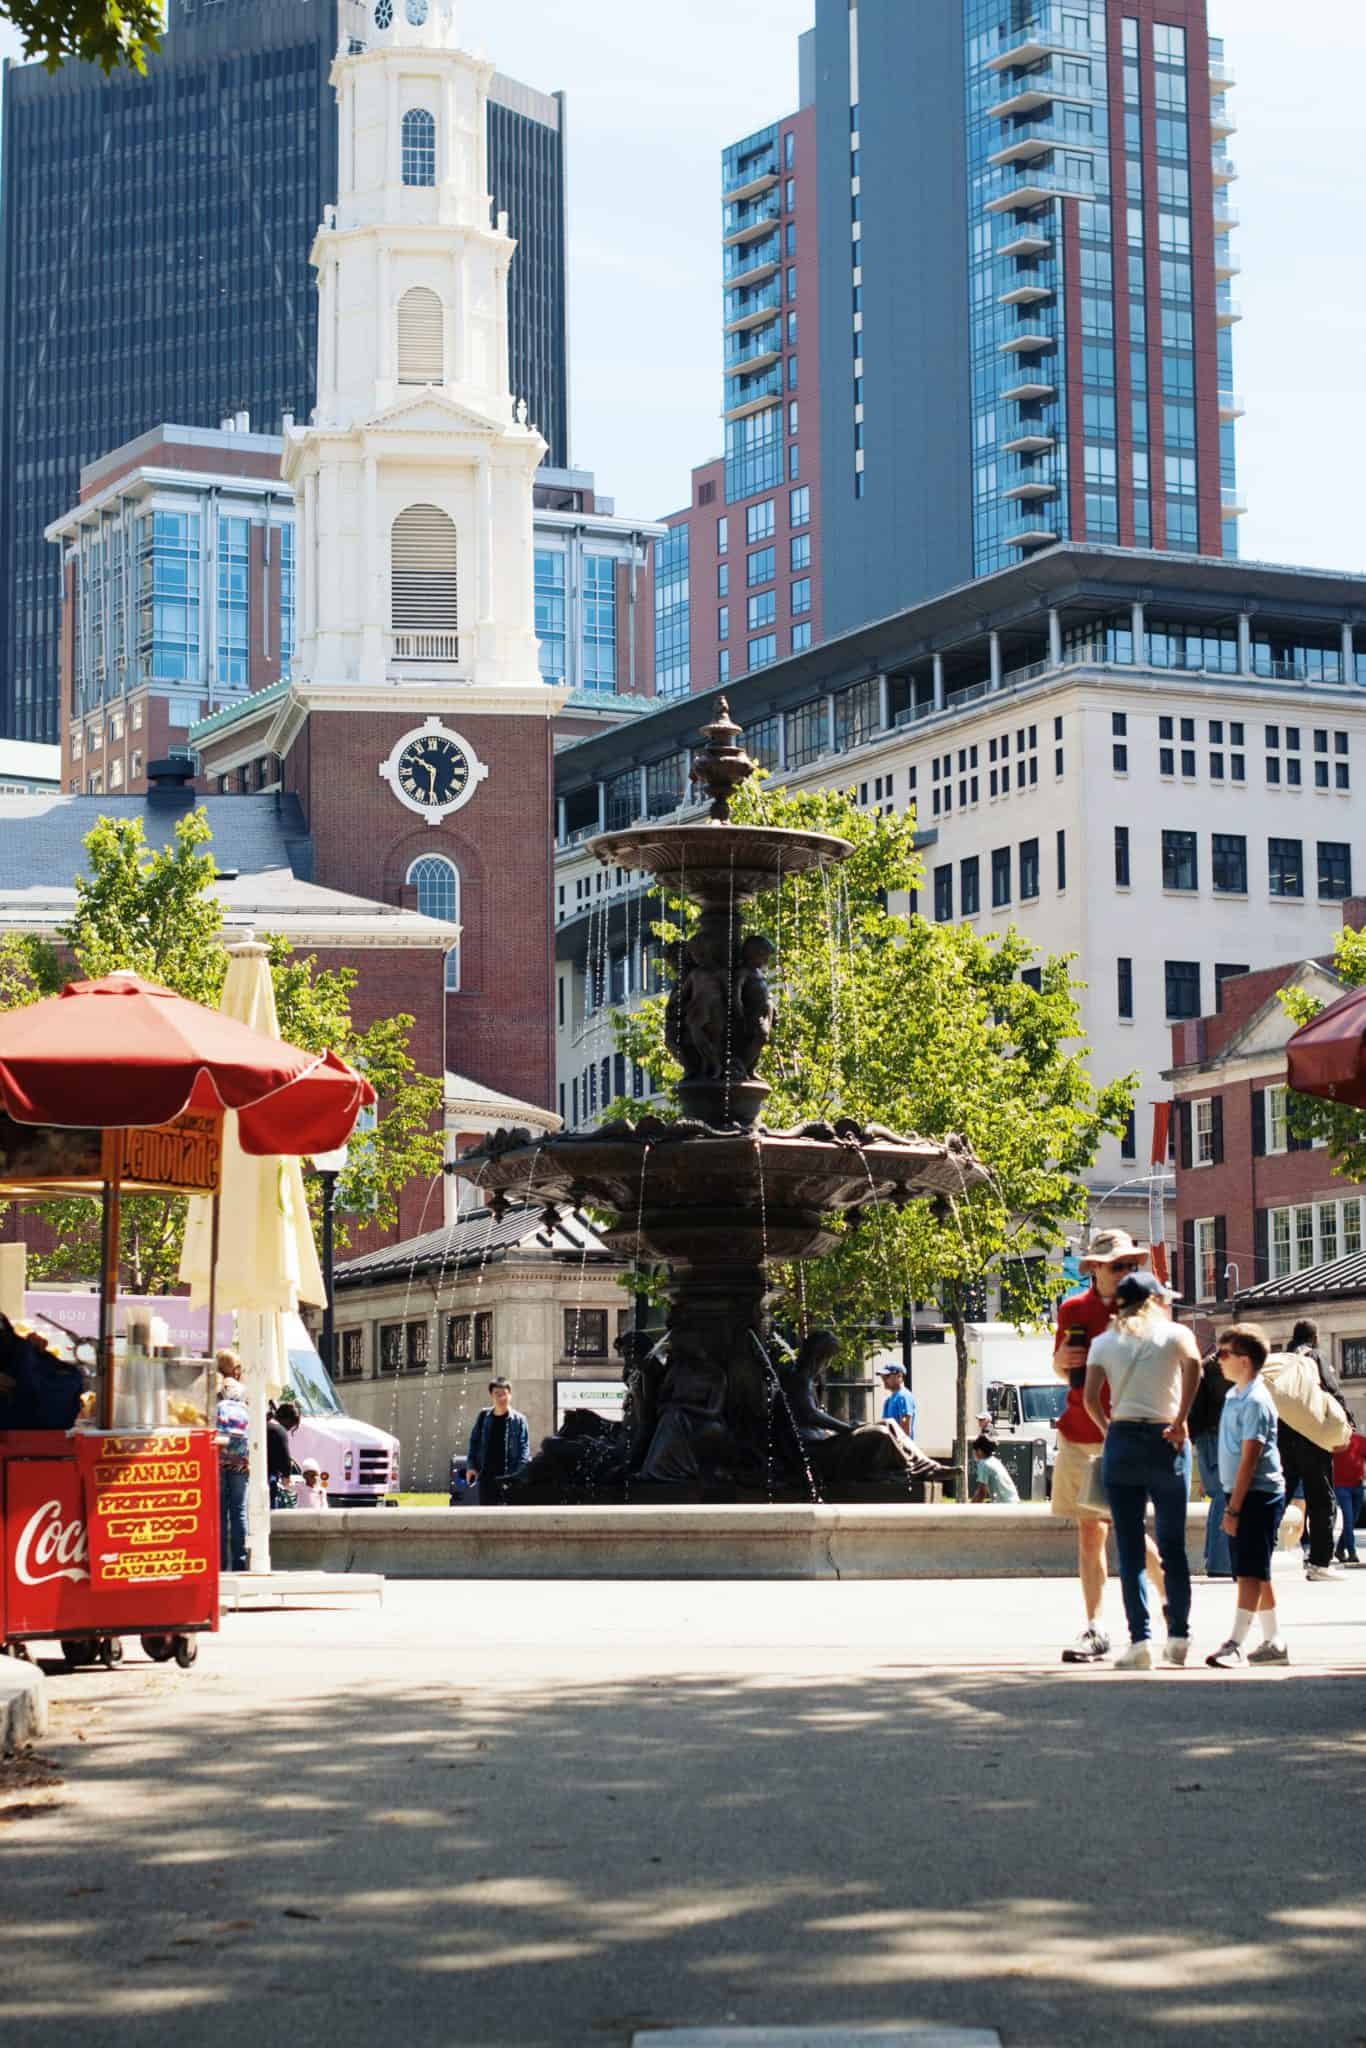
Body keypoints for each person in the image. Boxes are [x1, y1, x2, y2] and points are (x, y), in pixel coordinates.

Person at [1050, 1229, 1168, 1664]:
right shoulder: (1073, 1309)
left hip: (1128, 1431)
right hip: (1080, 1432)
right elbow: (1063, 1369)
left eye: (1130, 1265)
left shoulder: (1146, 1306)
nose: (1125, 1273)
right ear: (1094, 1269)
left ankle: (1167, 1593)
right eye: (1116, 1266)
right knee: (1089, 1531)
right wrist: (1061, 1363)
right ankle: (1096, 1627)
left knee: (1127, 1525)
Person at [1084, 1273, 1200, 1669]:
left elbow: (1089, 1398)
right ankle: (1180, 1636)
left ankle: (1141, 1642)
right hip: (1166, 1438)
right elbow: (1196, 1366)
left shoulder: (1103, 1342)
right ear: (1153, 1300)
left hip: (1123, 1441)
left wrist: (1109, 1429)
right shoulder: (1174, 1335)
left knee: (1131, 1549)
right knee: (1173, 1547)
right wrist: (1182, 1418)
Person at [1205, 1324, 1289, 1668]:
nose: (1218, 1360)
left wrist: (1233, 1509)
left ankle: (1236, 1642)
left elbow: (1249, 1459)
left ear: (1244, 1360)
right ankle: (1274, 1641)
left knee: (1248, 1572)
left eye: (1224, 1354)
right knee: (1257, 1569)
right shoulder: (1235, 1395)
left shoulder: (1255, 1400)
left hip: (1256, 1494)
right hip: (1244, 1492)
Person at [1273, 1321, 1343, 1580]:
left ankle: (1256, 1556)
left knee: (1279, 1496)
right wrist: (1346, 1425)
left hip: (1283, 1437)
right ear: (1314, 1337)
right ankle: (1319, 1563)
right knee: (1322, 1499)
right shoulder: (1314, 1357)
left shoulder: (1282, 1359)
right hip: (1312, 1438)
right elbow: (1332, 1390)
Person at [1187, 1349, 1234, 1579]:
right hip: (1216, 1436)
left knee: (1218, 1495)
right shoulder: (1219, 1370)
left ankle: (1213, 1557)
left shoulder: (1205, 1367)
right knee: (1224, 1495)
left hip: (1205, 1437)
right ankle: (1220, 1562)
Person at [465, 1379, 531, 1505]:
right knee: (487, 1518)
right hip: (486, 1477)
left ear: (510, 1395)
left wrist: (518, 1475)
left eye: (504, 1393)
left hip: (509, 1477)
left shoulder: (519, 1420)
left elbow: (524, 1449)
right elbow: (474, 1443)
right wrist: (471, 1467)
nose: (501, 1397)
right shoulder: (483, 1416)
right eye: (497, 1394)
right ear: (491, 1395)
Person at [215, 1354, 250, 1574]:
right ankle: (240, 1562)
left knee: (219, 1512)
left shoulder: (214, 1389)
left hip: (217, 1456)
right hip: (240, 1458)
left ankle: (219, 1562)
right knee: (238, 1510)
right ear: (235, 1368)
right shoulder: (244, 1391)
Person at [1332, 1424, 1366, 1567]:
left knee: (1353, 1520)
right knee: (1348, 1519)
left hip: (1358, 1486)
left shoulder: (1361, 1440)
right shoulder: (1333, 1442)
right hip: (1341, 1487)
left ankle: (1340, 1550)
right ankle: (1352, 1553)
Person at [268, 1398, 300, 1508]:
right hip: (270, 1476)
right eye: (291, 1425)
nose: (289, 1428)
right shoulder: (279, 1430)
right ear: (287, 1419)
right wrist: (286, 1475)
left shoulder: (264, 1424)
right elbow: (285, 1457)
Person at [970, 1433, 1020, 1504]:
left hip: (1005, 1506)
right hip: (1014, 1501)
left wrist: (969, 1508)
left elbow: (981, 1493)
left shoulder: (983, 1464)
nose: (973, 1453)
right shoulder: (994, 1461)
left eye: (974, 1450)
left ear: (980, 1451)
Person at [876, 1363, 917, 1444]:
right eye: (882, 1376)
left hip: (900, 1450)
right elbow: (885, 1426)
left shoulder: (904, 1396)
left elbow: (905, 1428)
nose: (883, 1379)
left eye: (887, 1376)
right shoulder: (888, 1400)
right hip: (890, 1448)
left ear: (899, 1376)